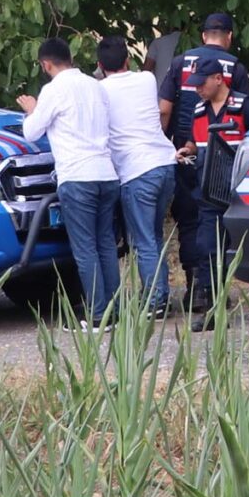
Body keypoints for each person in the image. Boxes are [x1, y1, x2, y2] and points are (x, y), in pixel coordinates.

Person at [17, 36, 119, 327]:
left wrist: (32, 110)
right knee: (106, 245)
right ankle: (116, 310)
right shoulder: (95, 86)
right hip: (106, 174)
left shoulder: (53, 90)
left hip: (78, 176)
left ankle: (98, 316)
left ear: (45, 64)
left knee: (85, 248)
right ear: (70, 58)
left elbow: (32, 132)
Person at [164, 13, 249, 291]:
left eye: (203, 84)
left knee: (193, 224)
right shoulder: (235, 67)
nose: (198, 88)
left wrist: (167, 144)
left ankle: (197, 288)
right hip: (210, 167)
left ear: (203, 35)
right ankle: (207, 292)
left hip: (207, 168)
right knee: (209, 232)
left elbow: (164, 109)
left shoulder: (179, 63)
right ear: (229, 36)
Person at [97, 33, 180, 318]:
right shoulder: (146, 80)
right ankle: (159, 294)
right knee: (153, 236)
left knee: (143, 240)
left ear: (99, 64)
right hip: (165, 164)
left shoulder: (101, 90)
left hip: (136, 171)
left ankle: (156, 301)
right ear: (128, 59)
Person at [181, 53, 249, 332]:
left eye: (202, 83)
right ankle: (213, 309)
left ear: (218, 79)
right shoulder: (198, 111)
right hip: (209, 194)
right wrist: (186, 150)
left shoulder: (245, 106)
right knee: (208, 249)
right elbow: (194, 142)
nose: (197, 88)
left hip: (241, 194)